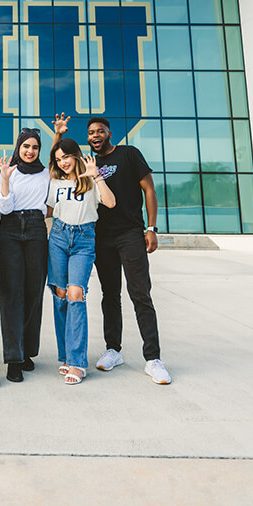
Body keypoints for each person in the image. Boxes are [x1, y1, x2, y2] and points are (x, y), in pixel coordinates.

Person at [52, 113, 171, 384]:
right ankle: (113, 349)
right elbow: (57, 161)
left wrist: (151, 228)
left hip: (130, 234)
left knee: (140, 293)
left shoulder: (129, 154)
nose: (95, 135)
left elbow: (149, 190)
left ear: (109, 132)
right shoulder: (84, 163)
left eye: (100, 131)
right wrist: (58, 134)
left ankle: (153, 359)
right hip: (99, 237)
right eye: (91, 132)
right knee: (109, 295)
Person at [46, 138, 116, 385]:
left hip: (84, 239)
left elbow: (110, 202)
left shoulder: (90, 178)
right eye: (58, 159)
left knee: (77, 293)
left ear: (76, 155)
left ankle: (77, 362)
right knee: (61, 294)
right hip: (58, 237)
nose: (63, 162)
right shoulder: (55, 183)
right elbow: (48, 212)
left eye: (66, 156)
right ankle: (65, 355)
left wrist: (96, 176)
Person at [0, 128, 50, 383]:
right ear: (18, 147)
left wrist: (59, 135)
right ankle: (14, 359)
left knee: (33, 292)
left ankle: (27, 351)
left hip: (37, 228)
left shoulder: (46, 172)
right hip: (10, 230)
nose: (30, 151)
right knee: (11, 293)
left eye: (35, 147)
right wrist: (5, 179)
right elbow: (4, 208)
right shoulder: (9, 171)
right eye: (26, 146)